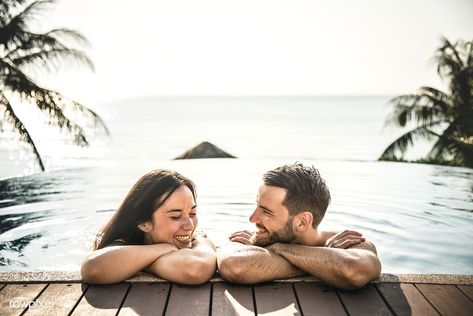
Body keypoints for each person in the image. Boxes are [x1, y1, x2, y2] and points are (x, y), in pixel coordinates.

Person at [217, 163, 381, 289]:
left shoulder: (349, 242)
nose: (252, 219)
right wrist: (324, 263)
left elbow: (354, 270)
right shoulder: (254, 238)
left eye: (266, 212)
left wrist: (278, 248)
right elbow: (234, 265)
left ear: (303, 221)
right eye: (257, 206)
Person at [81, 169, 216, 284]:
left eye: (192, 213)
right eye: (175, 216)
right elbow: (93, 269)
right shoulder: (123, 243)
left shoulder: (196, 239)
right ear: (144, 223)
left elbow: (195, 267)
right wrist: (164, 248)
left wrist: (202, 240)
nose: (190, 225)